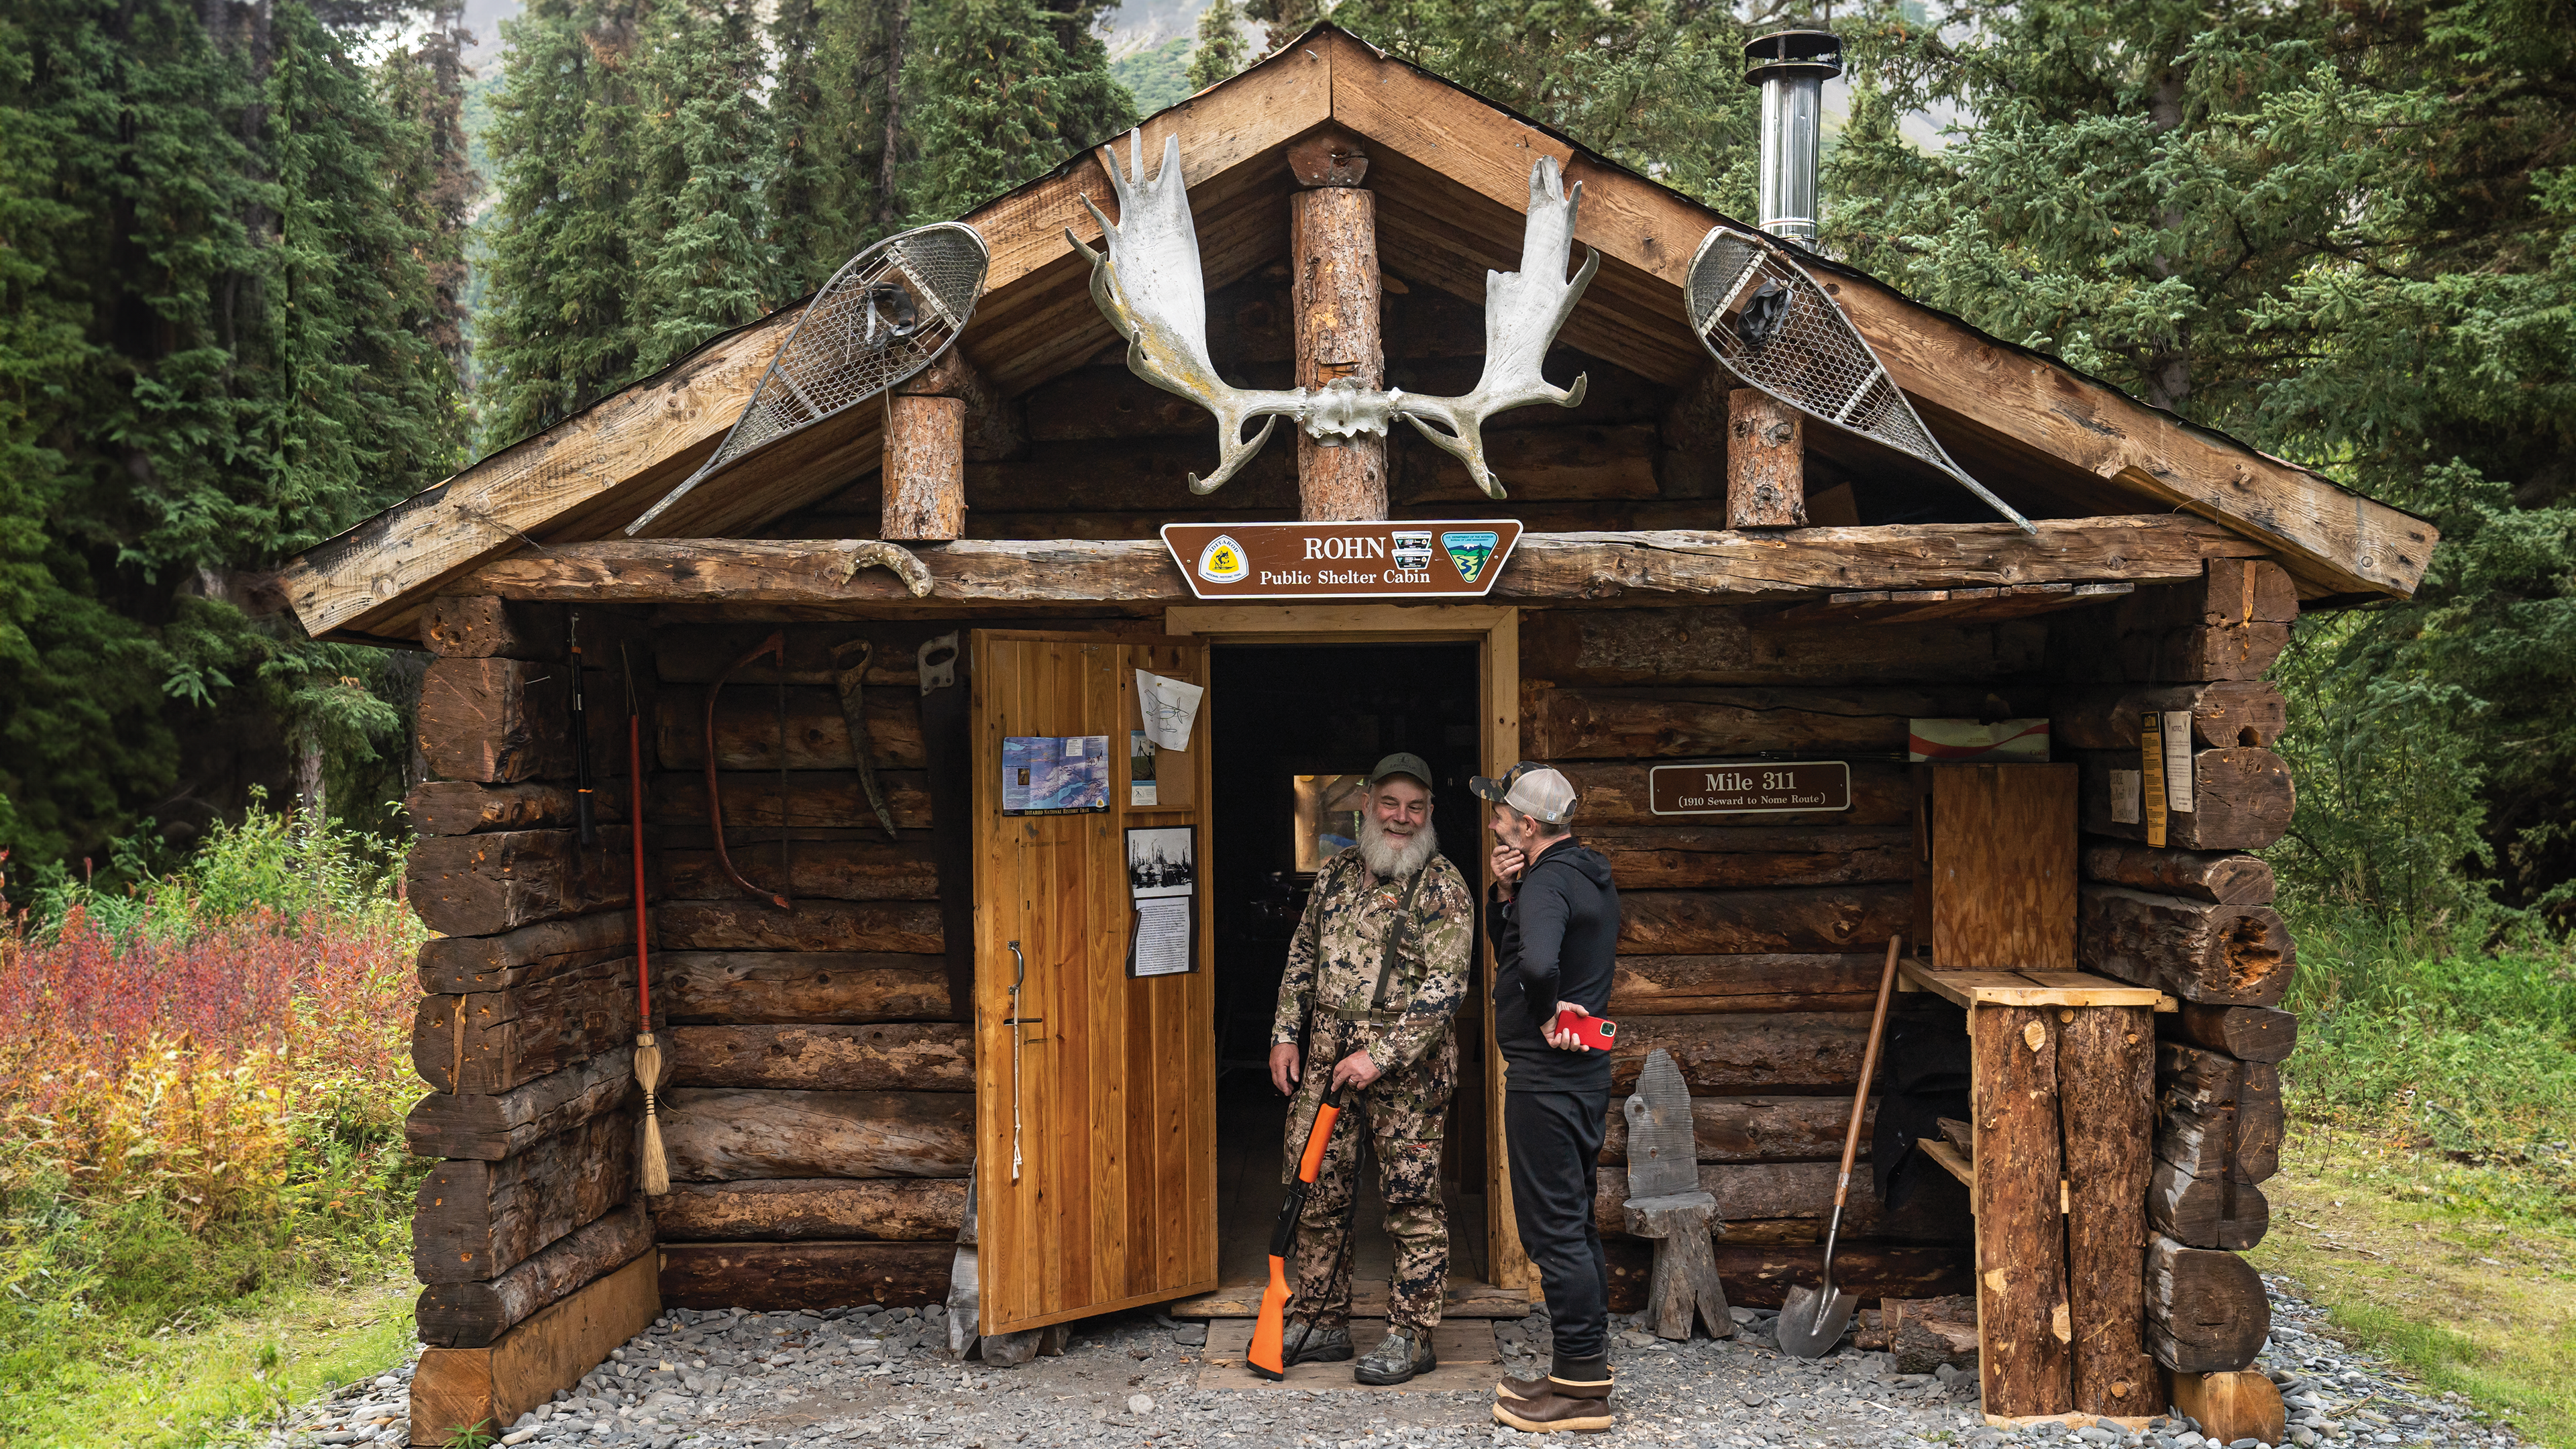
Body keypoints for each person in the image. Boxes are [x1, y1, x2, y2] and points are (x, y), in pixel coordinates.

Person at [1268, 752, 1476, 1385]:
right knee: (1315, 1192)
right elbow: (1303, 952)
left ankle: (1412, 1335)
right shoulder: (1333, 875)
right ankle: (1323, 1320)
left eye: (1416, 807)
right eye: (1391, 803)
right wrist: (1285, 1033)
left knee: (1410, 1203)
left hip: (1407, 1077)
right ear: (1367, 803)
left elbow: (1447, 988)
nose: (1402, 818)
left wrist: (1379, 1054)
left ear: (1431, 813)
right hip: (1327, 1061)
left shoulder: (1444, 887)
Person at [1472, 760, 1620, 1434]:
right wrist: (1506, 894)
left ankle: (1582, 1391)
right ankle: (1580, 1372)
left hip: (1545, 1079)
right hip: (1582, 1078)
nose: (1496, 826)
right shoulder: (1584, 872)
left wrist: (1541, 1018)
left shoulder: (1548, 885)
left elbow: (1535, 965)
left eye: (1503, 819)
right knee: (1575, 1221)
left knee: (1551, 1230)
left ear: (1529, 826)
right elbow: (1535, 951)